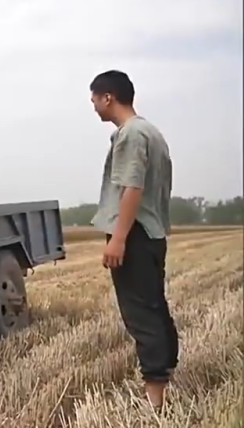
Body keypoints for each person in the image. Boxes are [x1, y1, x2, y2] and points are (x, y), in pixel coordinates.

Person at [89, 70, 178, 410]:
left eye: (95, 99)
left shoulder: (130, 134)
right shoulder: (151, 131)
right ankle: (163, 378)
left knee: (140, 313)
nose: (95, 107)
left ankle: (154, 398)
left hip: (136, 234)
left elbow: (132, 187)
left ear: (108, 97)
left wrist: (119, 238)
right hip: (152, 233)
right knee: (155, 306)